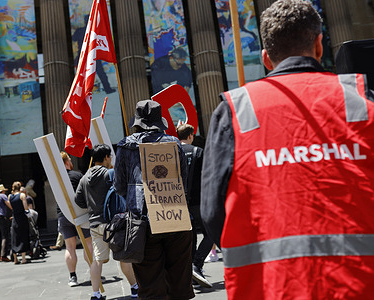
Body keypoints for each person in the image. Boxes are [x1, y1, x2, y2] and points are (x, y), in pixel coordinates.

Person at [201, 1, 374, 299]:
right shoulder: (359, 101)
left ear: (267, 58)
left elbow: (212, 212)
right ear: (319, 46)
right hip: (359, 284)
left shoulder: (235, 111)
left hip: (271, 287)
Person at [114, 100, 194, 300]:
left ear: (138, 122)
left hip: (141, 222)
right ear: (160, 122)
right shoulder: (174, 143)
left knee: (149, 283)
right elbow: (182, 182)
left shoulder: (125, 146)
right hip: (175, 215)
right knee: (179, 281)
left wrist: (136, 196)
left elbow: (120, 186)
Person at [75, 144, 138, 300]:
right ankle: (134, 288)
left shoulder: (84, 178)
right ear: (105, 157)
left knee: (97, 260)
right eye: (110, 156)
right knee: (124, 257)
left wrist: (92, 205)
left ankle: (96, 294)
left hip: (95, 225)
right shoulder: (110, 173)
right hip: (114, 223)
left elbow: (78, 201)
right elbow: (124, 190)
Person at [176, 123, 213, 288]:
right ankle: (196, 264)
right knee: (211, 233)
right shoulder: (199, 152)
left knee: (190, 237)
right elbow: (207, 175)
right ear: (191, 135)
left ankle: (192, 274)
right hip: (199, 200)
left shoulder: (174, 153)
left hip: (180, 202)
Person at [59, 151, 93, 287]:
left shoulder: (57, 179)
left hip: (63, 214)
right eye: (70, 160)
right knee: (88, 243)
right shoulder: (77, 175)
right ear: (67, 162)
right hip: (81, 213)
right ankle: (94, 272)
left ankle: (72, 277)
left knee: (69, 247)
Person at [9, 181, 30, 264]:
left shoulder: (10, 196)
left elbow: (11, 207)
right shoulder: (22, 195)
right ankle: (23, 258)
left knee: (15, 237)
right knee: (23, 236)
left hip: (15, 218)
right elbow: (26, 207)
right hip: (22, 218)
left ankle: (15, 259)